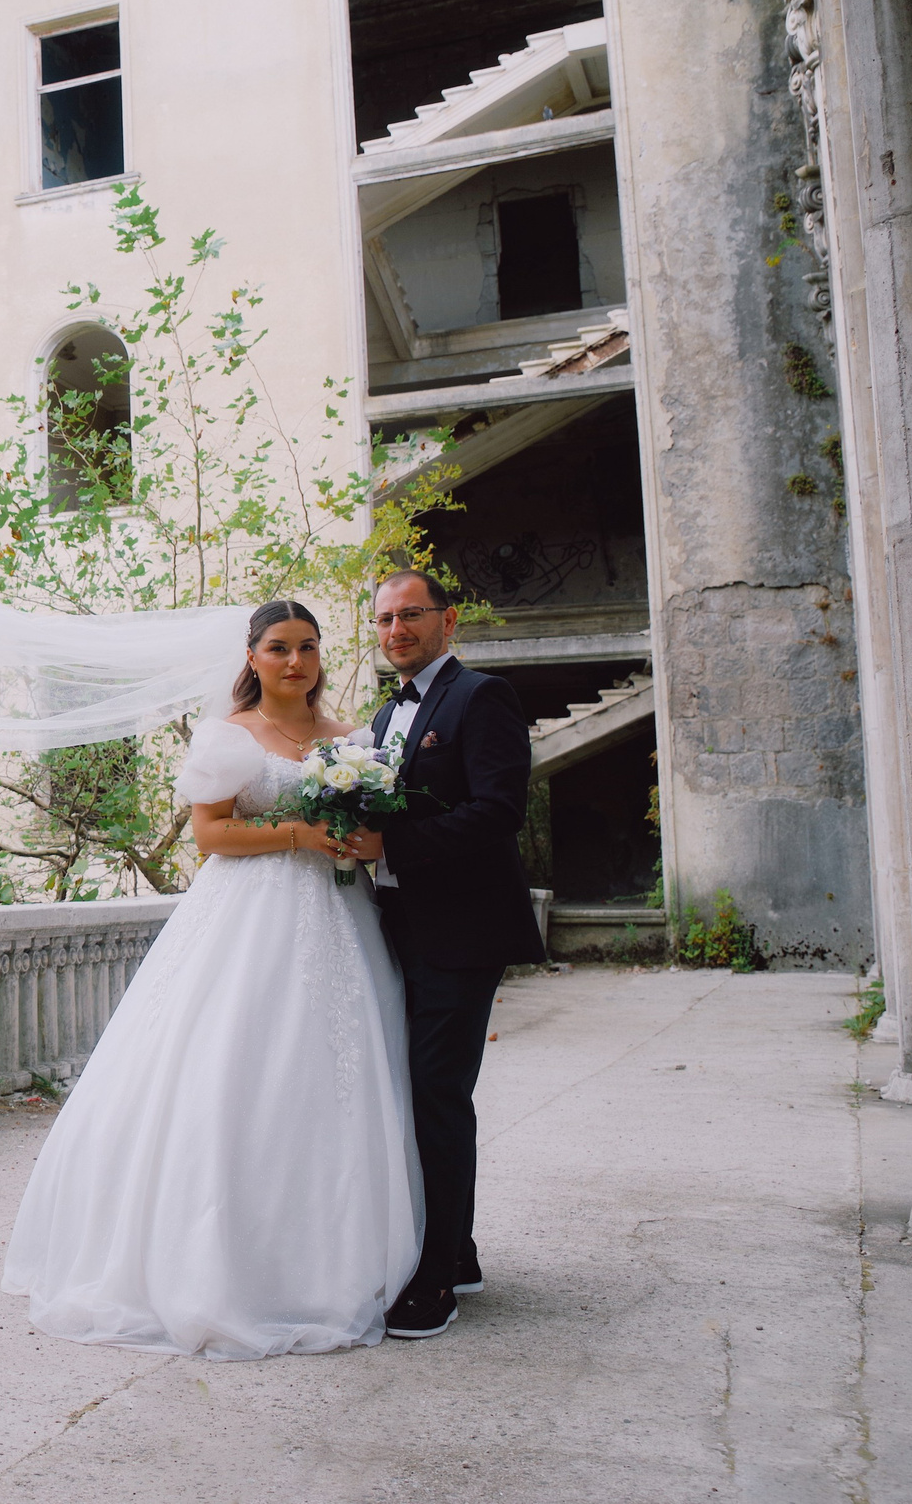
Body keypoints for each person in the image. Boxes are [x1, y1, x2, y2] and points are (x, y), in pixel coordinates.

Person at [2, 600, 423, 1359]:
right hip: (248, 918)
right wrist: (298, 832)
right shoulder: (231, 736)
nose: (295, 661)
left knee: (334, 1079)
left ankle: (330, 1258)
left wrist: (358, 841)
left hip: (342, 923)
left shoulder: (351, 738)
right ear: (253, 657)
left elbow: (374, 829)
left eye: (307, 646)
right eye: (279, 648)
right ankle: (215, 1263)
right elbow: (211, 833)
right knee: (234, 1073)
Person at [367, 568, 547, 1339]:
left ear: (449, 620)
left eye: (411, 614)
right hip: (396, 928)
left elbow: (500, 809)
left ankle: (435, 1277)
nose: (396, 630)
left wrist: (394, 844)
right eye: (383, 619)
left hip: (465, 931)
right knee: (412, 1092)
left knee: (438, 1093)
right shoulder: (382, 715)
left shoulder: (482, 697)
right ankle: (460, 1250)